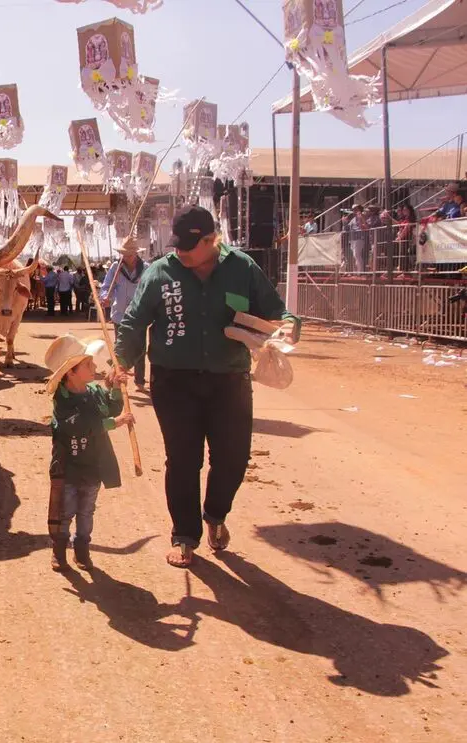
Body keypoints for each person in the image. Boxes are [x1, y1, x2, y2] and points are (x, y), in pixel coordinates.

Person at [114, 206, 300, 568]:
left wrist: (288, 326)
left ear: (211, 240)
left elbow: (276, 311)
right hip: (173, 382)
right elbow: (135, 322)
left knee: (233, 458)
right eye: (178, 245)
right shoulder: (160, 272)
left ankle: (215, 515)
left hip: (229, 381)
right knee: (183, 461)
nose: (181, 252)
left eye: (189, 246)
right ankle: (185, 535)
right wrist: (121, 360)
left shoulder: (242, 268)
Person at [43, 334, 132, 572]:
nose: (95, 367)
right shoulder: (62, 401)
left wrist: (114, 388)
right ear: (71, 373)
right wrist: (114, 423)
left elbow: (111, 408)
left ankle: (82, 550)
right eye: (88, 364)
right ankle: (59, 551)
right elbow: (80, 424)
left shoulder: (94, 391)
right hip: (68, 468)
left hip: (93, 466)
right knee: (66, 511)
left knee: (86, 511)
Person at [100, 238, 148, 390]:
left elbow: (149, 289)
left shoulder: (146, 268)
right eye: (124, 254)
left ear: (136, 253)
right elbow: (107, 287)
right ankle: (118, 378)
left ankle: (140, 380)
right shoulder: (116, 267)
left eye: (130, 254)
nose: (127, 257)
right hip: (119, 314)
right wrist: (105, 297)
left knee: (140, 348)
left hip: (138, 314)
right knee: (120, 348)